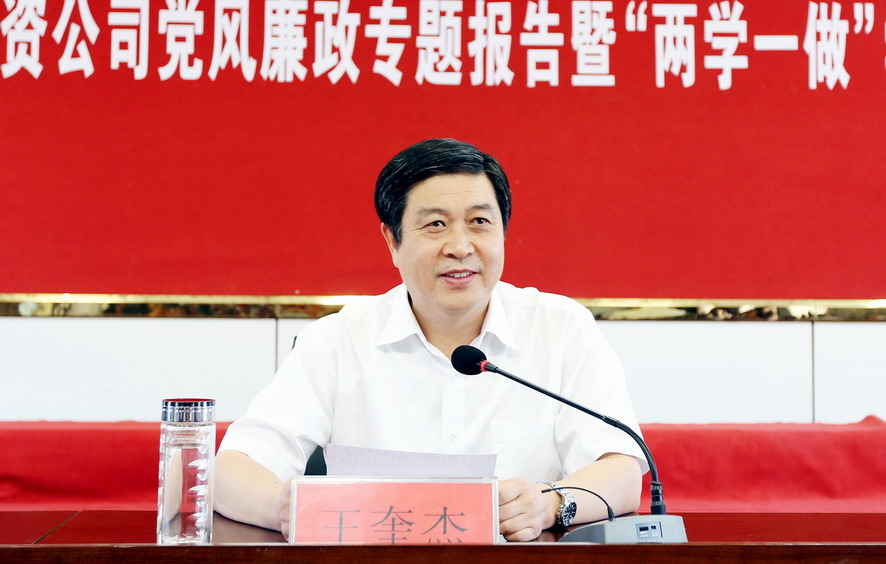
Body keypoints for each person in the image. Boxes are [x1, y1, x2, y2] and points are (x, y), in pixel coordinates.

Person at [216, 138, 646, 542]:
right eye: (435, 225)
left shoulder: (562, 329)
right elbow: (232, 469)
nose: (460, 246)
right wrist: (286, 507)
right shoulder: (336, 340)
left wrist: (550, 503)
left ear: (503, 232)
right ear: (393, 240)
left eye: (480, 222)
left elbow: (621, 473)